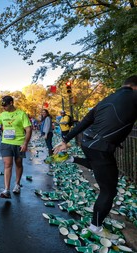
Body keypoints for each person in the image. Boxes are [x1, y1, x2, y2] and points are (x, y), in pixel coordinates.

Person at [53, 75, 137, 239]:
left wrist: (65, 140)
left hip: (87, 142)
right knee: (108, 190)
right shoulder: (133, 96)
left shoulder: (108, 98)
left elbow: (85, 121)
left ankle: (70, 159)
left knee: (98, 166)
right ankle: (95, 227)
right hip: (101, 147)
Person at [0, 96, 32, 198]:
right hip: (5, 143)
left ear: (11, 103)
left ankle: (17, 184)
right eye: (2, 106)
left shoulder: (21, 114)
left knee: (18, 163)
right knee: (7, 164)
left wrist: (25, 143)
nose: (3, 107)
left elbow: (28, 129)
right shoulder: (3, 114)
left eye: (5, 105)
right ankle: (6, 190)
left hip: (19, 143)